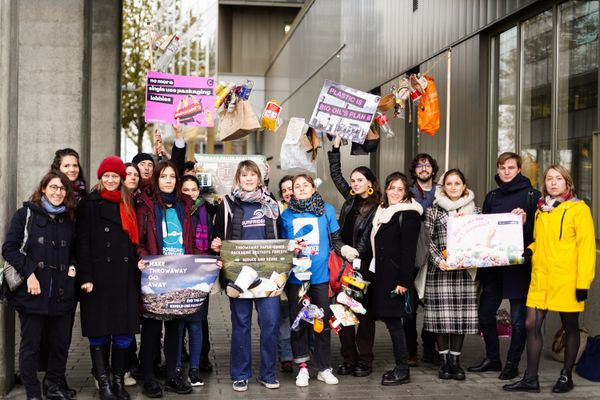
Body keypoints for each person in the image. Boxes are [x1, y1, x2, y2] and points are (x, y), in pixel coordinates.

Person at [503, 165, 596, 394]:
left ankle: (566, 377)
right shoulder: (542, 209)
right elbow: (540, 240)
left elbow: (586, 248)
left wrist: (583, 283)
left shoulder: (579, 209)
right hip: (540, 279)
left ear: (567, 182)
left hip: (566, 280)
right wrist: (531, 250)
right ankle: (531, 379)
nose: (553, 183)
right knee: (531, 325)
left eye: (558, 179)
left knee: (570, 327)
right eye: (549, 179)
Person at [2, 171, 77, 400]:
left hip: (63, 292)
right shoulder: (26, 214)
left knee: (61, 345)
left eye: (62, 189)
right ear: (43, 188)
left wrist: (73, 267)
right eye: (53, 187)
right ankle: (33, 393)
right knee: (30, 347)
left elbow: (74, 250)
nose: (58, 192)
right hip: (32, 293)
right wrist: (30, 273)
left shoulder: (69, 218)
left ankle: (53, 385)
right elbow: (9, 248)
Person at [210, 160, 281, 392]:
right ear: (238, 179)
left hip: (269, 274)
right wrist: (216, 243)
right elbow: (217, 235)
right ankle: (240, 374)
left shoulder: (272, 204)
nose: (249, 179)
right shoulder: (228, 204)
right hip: (238, 274)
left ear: (259, 178)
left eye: (253, 175)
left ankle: (268, 374)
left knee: (270, 325)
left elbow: (283, 235)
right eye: (244, 175)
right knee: (241, 325)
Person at [468, 152, 541, 380]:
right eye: (502, 168)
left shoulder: (532, 196)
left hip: (519, 268)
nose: (506, 171)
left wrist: (526, 224)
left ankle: (512, 363)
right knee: (485, 314)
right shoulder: (491, 196)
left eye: (511, 167)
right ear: (498, 170)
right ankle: (493, 358)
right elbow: (484, 231)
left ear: (519, 169)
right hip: (494, 268)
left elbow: (538, 236)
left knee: (519, 321)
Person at [76, 156, 141, 400]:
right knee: (99, 332)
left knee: (124, 333)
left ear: (121, 178)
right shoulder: (88, 204)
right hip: (97, 278)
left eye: (115, 176)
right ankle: (103, 384)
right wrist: (86, 276)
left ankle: (117, 381)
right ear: (100, 178)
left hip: (125, 276)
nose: (111, 180)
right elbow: (82, 243)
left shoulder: (129, 202)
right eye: (107, 176)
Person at [281, 174, 349, 387]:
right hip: (296, 278)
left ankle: (324, 367)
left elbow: (336, 239)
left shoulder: (326, 209)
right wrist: (288, 247)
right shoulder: (286, 214)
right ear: (292, 190)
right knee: (298, 322)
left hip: (321, 276)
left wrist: (346, 250)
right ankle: (302, 368)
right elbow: (281, 243)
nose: (301, 189)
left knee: (322, 321)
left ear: (313, 188)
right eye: (296, 186)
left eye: (305, 185)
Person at [136, 161, 194, 397]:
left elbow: (190, 239)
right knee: (151, 328)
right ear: (156, 179)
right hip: (155, 275)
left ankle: (172, 375)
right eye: (164, 176)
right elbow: (138, 240)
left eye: (172, 176)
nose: (168, 180)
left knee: (175, 328)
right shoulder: (146, 206)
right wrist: (141, 258)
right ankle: (149, 378)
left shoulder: (184, 205)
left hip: (180, 274)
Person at [328, 137, 380, 377]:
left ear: (370, 183)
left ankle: (365, 361)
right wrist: (335, 148)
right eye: (353, 180)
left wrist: (354, 255)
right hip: (343, 264)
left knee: (363, 315)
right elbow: (336, 174)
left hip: (363, 267)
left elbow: (367, 235)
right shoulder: (349, 200)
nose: (355, 183)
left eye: (361, 180)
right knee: (343, 313)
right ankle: (348, 358)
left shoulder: (377, 206)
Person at [423, 169, 480, 381]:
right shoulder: (433, 210)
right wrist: (439, 261)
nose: (453, 187)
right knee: (441, 319)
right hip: (441, 271)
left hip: (464, 272)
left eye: (457, 183)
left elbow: (481, 239)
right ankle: (444, 361)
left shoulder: (475, 211)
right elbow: (426, 241)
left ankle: (456, 362)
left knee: (459, 318)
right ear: (443, 187)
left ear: (464, 186)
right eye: (449, 184)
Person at [370, 172, 423, 385]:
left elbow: (408, 252)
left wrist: (403, 282)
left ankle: (403, 370)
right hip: (383, 275)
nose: (395, 192)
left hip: (396, 279)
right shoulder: (383, 211)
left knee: (395, 323)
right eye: (391, 188)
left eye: (400, 189)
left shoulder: (408, 213)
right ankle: (401, 367)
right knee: (392, 322)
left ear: (406, 192)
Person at [175, 175, 214, 387]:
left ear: (199, 191)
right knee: (178, 325)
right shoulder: (173, 211)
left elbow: (211, 242)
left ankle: (195, 369)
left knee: (196, 324)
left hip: (199, 273)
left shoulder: (204, 212)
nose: (190, 193)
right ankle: (178, 367)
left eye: (194, 189)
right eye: (186, 189)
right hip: (177, 274)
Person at [406, 153, 439, 364]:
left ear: (433, 170)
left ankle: (430, 349)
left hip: (437, 255)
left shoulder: (442, 191)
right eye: (419, 165)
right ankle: (411, 351)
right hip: (412, 253)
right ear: (415, 170)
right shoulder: (407, 192)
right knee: (409, 306)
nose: (423, 168)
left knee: (433, 305)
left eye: (427, 165)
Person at [276, 175, 294, 373]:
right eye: (285, 190)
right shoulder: (276, 210)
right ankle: (286, 356)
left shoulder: (314, 210)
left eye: (292, 188)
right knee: (283, 317)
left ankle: (306, 352)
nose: (288, 192)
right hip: (281, 270)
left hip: (305, 272)